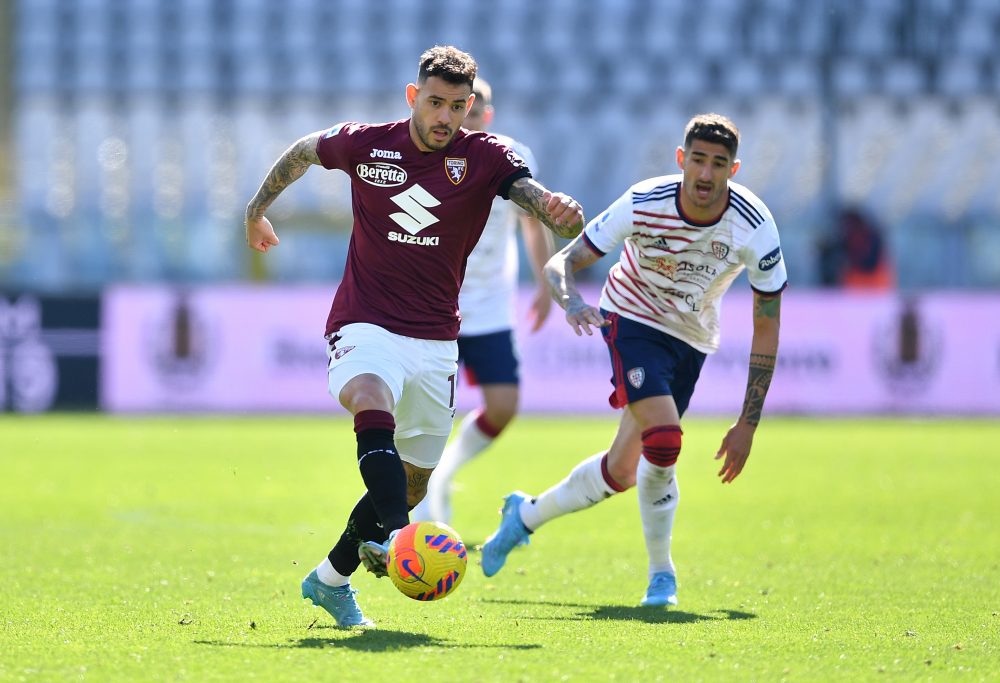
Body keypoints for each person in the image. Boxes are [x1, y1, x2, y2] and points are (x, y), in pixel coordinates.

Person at [243, 46, 584, 628]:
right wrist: (256, 209)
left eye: (456, 105)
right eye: (434, 103)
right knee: (369, 397)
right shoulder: (366, 142)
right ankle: (401, 539)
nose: (444, 117)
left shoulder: (486, 156)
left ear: (470, 105)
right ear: (411, 97)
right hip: (364, 319)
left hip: (435, 339)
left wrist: (554, 208)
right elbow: (302, 152)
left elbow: (529, 194)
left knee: (410, 481)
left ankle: (330, 579)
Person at [480, 113, 786, 608]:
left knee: (622, 470)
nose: (706, 175)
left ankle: (525, 515)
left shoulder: (754, 226)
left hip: (691, 338)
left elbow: (767, 321)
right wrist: (572, 301)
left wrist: (748, 423)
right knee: (663, 440)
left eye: (720, 164)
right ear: (682, 160)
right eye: (699, 161)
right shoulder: (645, 202)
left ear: (735, 169)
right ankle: (662, 576)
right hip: (631, 319)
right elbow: (563, 261)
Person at [412, 77, 554, 525]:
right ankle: (418, 497)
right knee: (426, 409)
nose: (461, 122)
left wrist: (545, 283)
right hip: (435, 303)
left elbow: (534, 222)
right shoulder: (427, 157)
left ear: (483, 114)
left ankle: (444, 474)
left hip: (490, 303)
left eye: (470, 112)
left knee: (503, 405)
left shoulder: (511, 158)